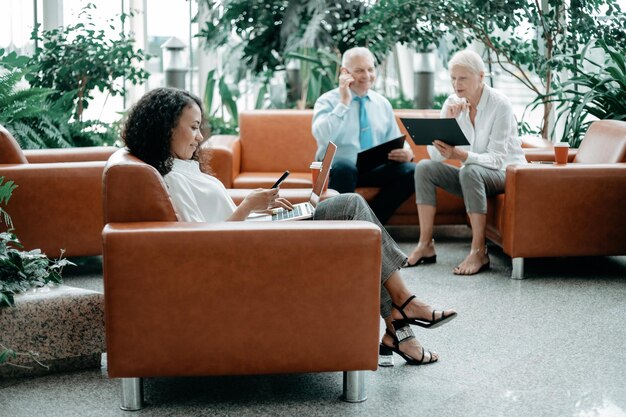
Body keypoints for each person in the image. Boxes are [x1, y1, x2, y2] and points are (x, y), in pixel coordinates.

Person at [122, 87, 457, 366]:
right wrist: (250, 207)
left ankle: (398, 325)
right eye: (193, 127)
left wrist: (259, 210)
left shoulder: (182, 167)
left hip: (252, 235)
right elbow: (201, 242)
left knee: (349, 216)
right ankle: (405, 305)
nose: (200, 137)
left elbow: (217, 223)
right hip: (248, 251)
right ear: (166, 127)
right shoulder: (170, 178)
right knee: (351, 207)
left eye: (200, 127)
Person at [406, 50, 527, 275]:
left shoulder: (500, 105)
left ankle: (479, 251)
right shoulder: (453, 103)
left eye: (462, 78)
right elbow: (435, 157)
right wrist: (449, 121)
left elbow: (497, 159)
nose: (456, 84)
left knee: (469, 170)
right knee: (424, 168)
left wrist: (460, 155)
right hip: (470, 176)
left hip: (505, 174)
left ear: (481, 77)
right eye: (453, 78)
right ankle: (425, 245)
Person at [311, 47, 415, 224]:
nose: (367, 75)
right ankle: (342, 230)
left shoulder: (382, 104)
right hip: (338, 170)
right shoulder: (327, 101)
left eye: (370, 69)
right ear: (345, 72)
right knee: (345, 167)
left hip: (371, 168)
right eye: (359, 70)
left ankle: (370, 224)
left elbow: (394, 138)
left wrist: (407, 152)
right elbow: (322, 136)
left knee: (413, 171)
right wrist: (343, 103)